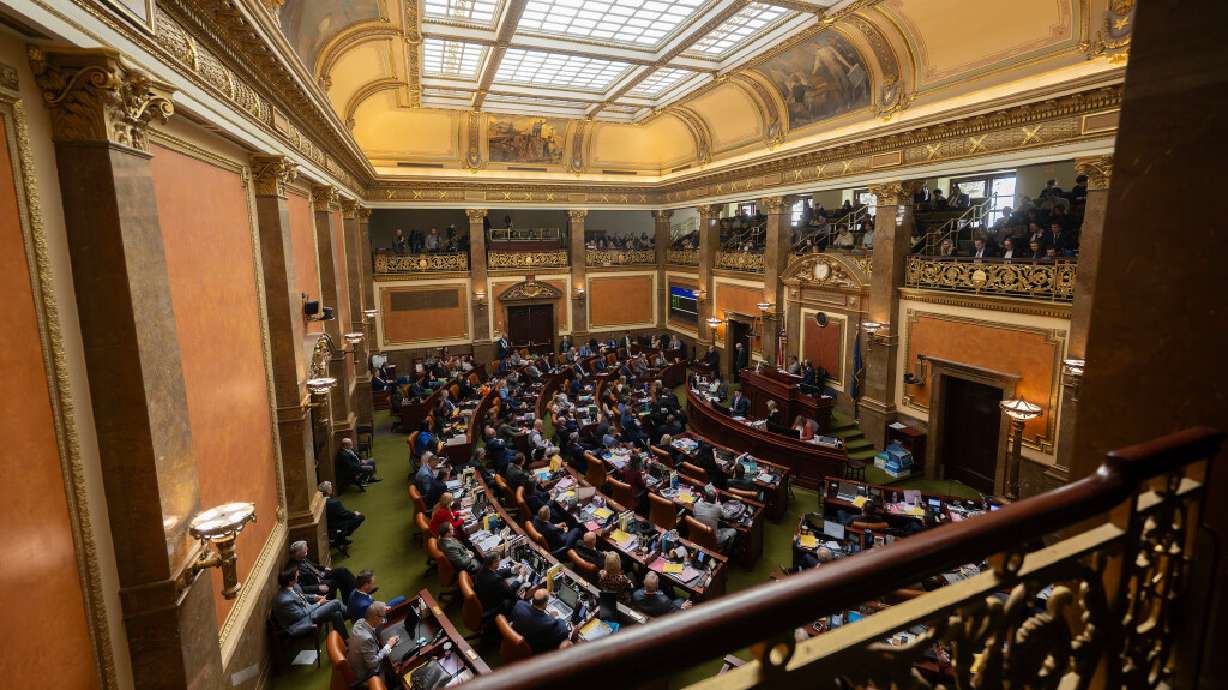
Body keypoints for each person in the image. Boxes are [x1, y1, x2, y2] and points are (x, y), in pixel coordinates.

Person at [272, 567, 348, 640]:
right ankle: (352, 613)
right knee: (335, 603)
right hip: (302, 621)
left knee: (336, 614)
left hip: (309, 612)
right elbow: (301, 615)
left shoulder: (292, 586)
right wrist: (318, 604)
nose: (298, 578)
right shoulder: (284, 600)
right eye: (297, 577)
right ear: (290, 581)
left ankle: (345, 640)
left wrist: (316, 596)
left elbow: (303, 596)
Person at [348, 600, 398, 685]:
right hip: (367, 674)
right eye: (383, 617)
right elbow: (373, 663)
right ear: (376, 618)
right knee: (396, 665)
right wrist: (388, 646)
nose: (384, 619)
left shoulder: (360, 622)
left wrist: (381, 610)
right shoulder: (366, 639)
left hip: (357, 661)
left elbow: (374, 623)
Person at [510, 588, 573, 653]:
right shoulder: (547, 623)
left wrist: (549, 617)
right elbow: (564, 631)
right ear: (545, 603)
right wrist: (553, 619)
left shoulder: (519, 605)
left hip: (519, 640)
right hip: (537, 650)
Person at [287, 540, 354, 601]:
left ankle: (353, 594)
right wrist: (318, 588)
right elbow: (301, 588)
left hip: (320, 575)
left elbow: (313, 565)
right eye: (305, 550)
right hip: (316, 583)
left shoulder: (301, 557)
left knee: (343, 571)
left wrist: (324, 568)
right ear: (298, 553)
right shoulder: (294, 569)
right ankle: (347, 599)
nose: (307, 549)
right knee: (334, 582)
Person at [474, 553, 522, 620]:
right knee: (517, 598)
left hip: (484, 600)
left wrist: (513, 569)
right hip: (495, 607)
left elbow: (497, 572)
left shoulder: (481, 570)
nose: (499, 562)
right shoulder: (495, 580)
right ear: (494, 563)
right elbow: (510, 593)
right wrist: (520, 578)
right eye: (498, 561)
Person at [692, 485, 737, 552]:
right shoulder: (718, 507)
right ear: (715, 498)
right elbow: (727, 515)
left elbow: (694, 514)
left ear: (704, 497)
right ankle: (725, 550)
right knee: (734, 531)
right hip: (712, 539)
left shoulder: (696, 505)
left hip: (698, 535)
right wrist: (718, 503)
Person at [321, 481, 365, 545]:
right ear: (328, 491)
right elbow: (345, 514)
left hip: (326, 526)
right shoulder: (334, 503)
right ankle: (342, 537)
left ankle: (341, 538)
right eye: (330, 487)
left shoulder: (319, 503)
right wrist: (354, 513)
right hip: (337, 526)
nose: (331, 488)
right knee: (360, 517)